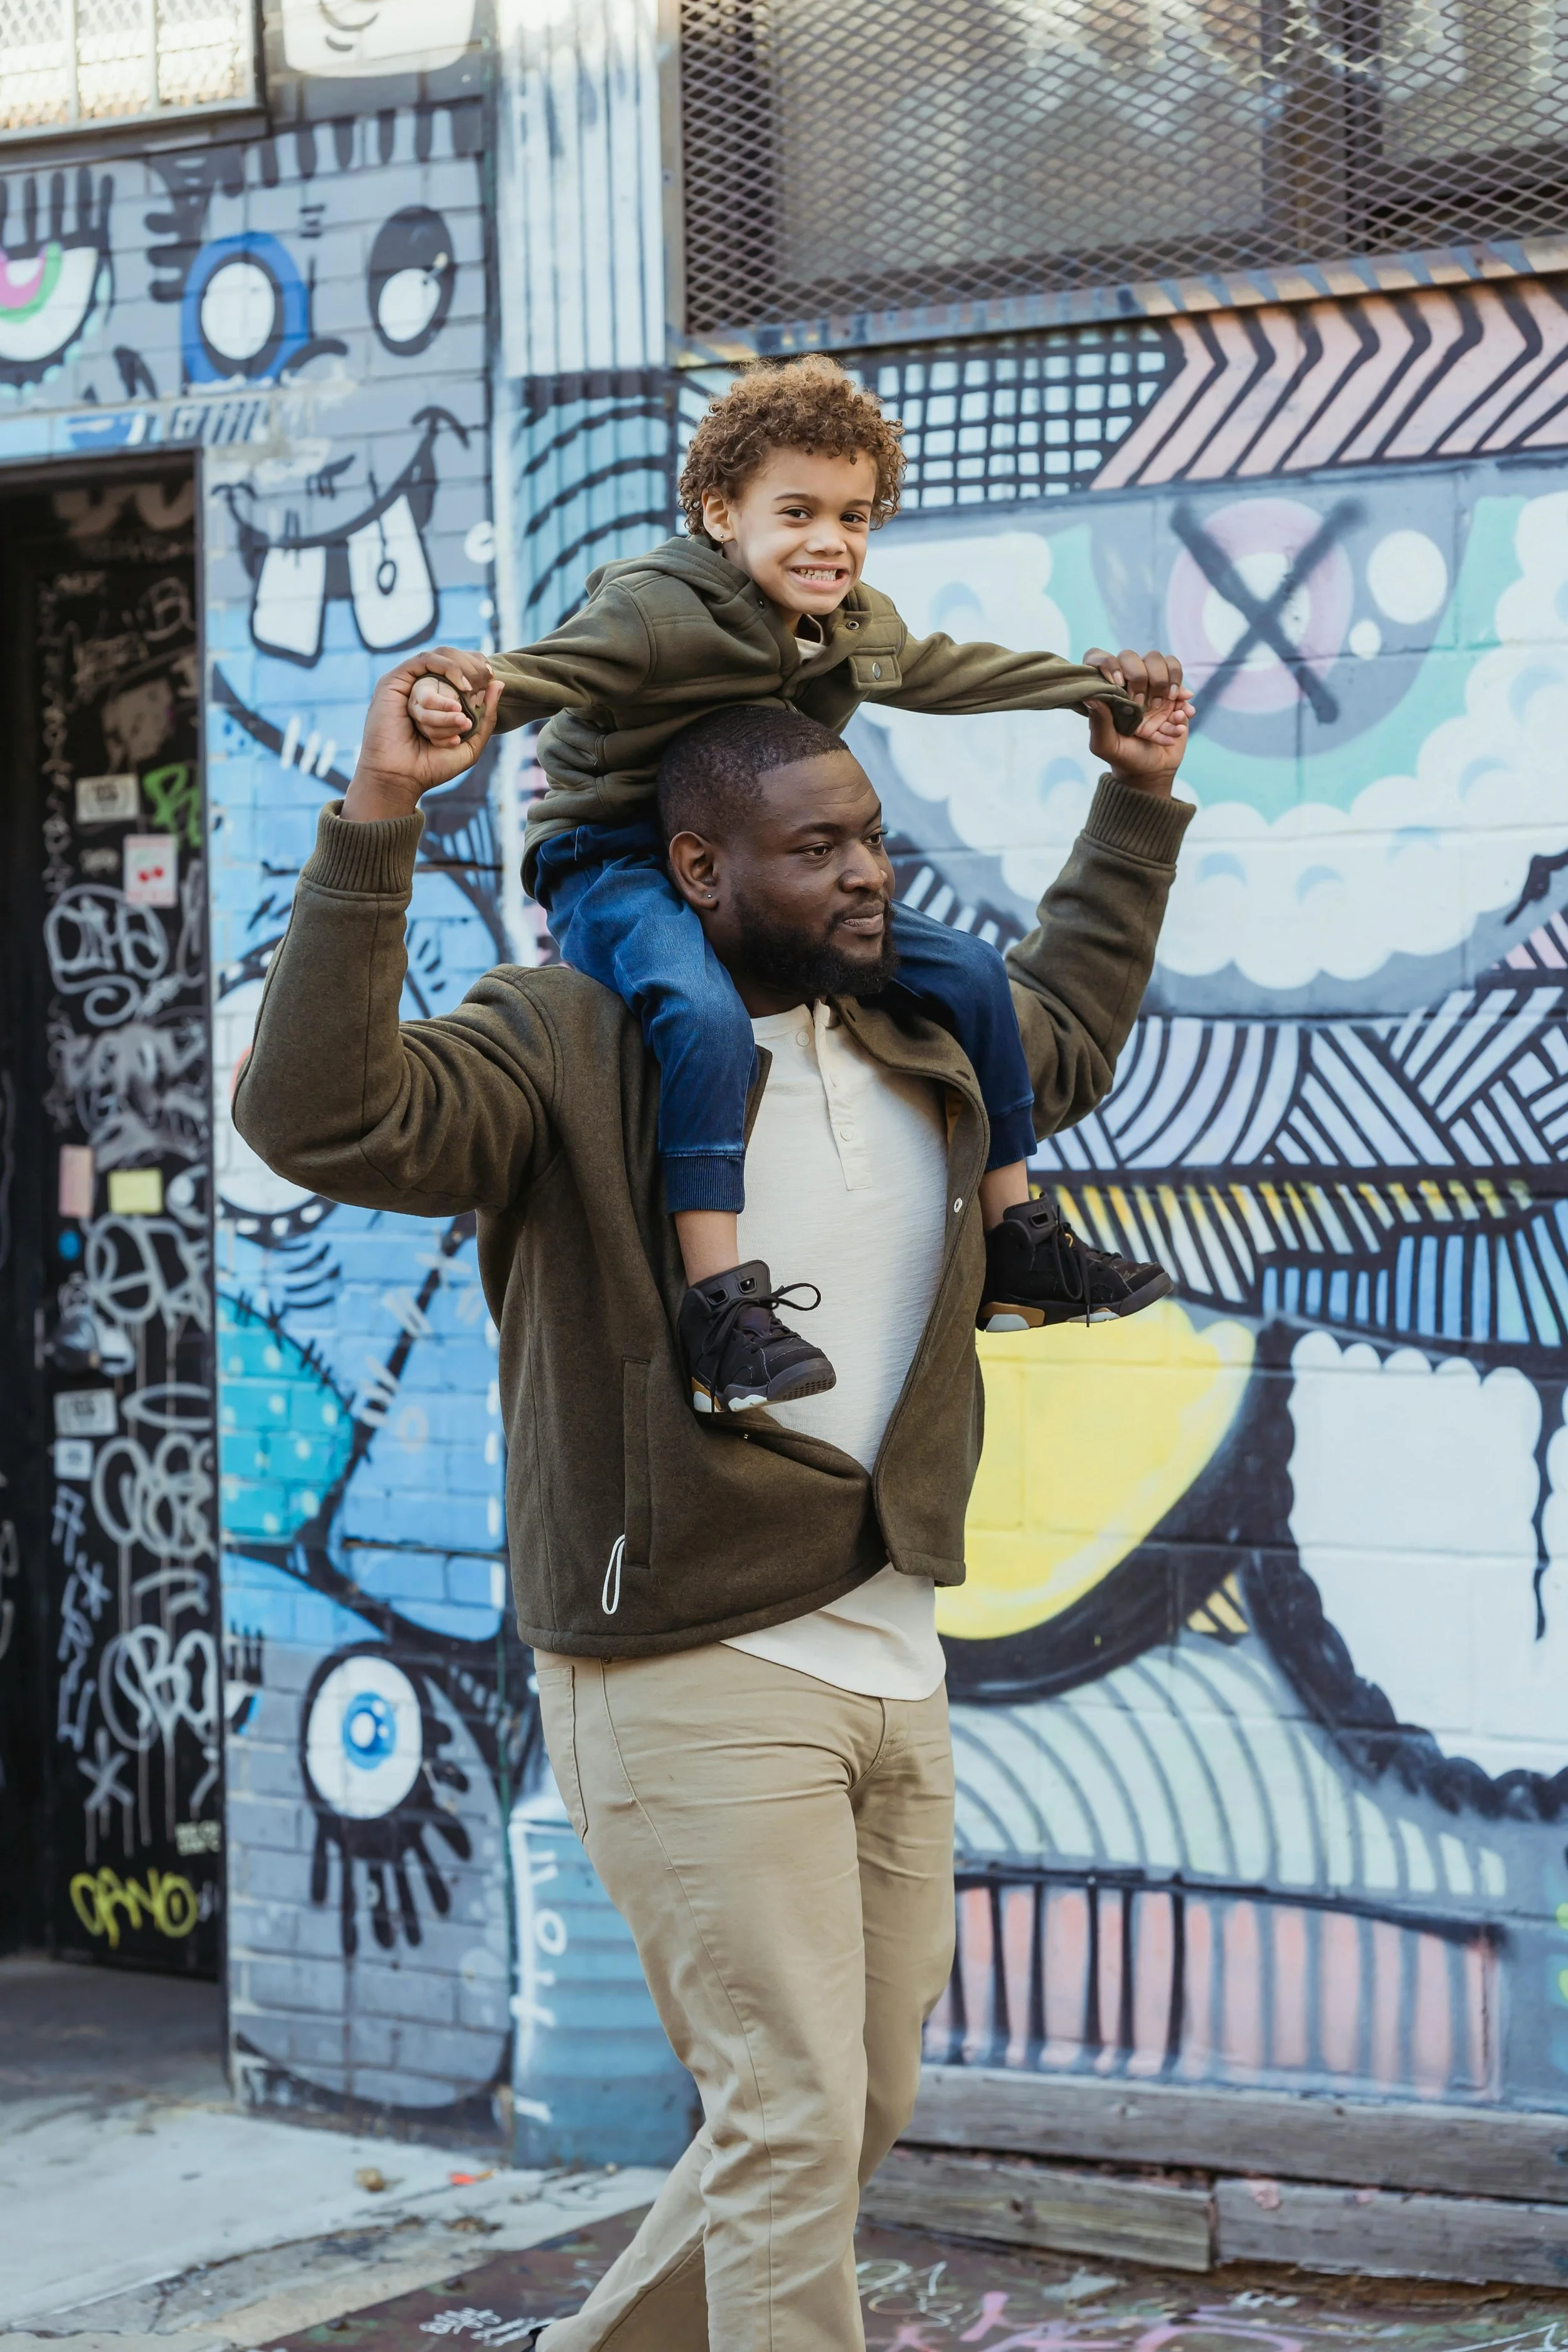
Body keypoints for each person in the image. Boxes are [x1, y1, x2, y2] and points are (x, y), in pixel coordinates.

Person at [234, 646, 1193, 2352]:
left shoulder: (917, 1025)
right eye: (815, 846)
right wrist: (380, 812)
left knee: (851, 2098)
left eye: (870, 837)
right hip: (681, 1657)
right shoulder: (563, 1042)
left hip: (894, 1648)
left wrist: (1133, 792)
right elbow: (318, 1111)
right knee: (794, 2108)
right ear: (698, 869)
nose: (864, 872)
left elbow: (1079, 1011)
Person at [404, 354, 1183, 1415]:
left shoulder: (852, 623)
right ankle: (719, 1309)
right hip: (617, 857)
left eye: (855, 516)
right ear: (721, 511)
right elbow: (556, 670)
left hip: (762, 871)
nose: (832, 541)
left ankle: (1020, 1245)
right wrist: (468, 688)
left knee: (967, 973)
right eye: (799, 511)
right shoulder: (653, 608)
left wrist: (1094, 693)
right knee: (702, 1016)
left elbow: (954, 672)